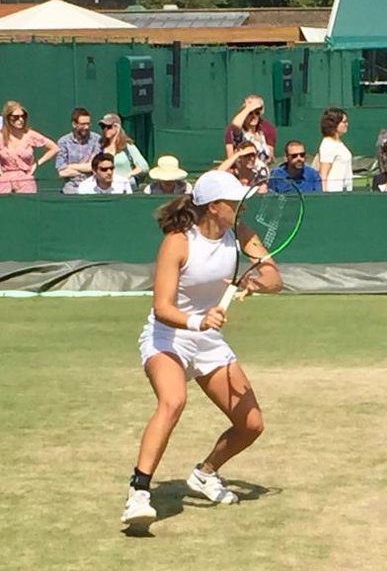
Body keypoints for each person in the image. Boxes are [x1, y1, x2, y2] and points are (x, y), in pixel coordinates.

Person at [120, 170, 282, 529]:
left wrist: (254, 282)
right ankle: (139, 493)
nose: (242, 208)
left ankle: (205, 473)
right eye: (234, 203)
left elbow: (275, 278)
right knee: (173, 400)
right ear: (213, 207)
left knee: (251, 424)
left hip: (207, 340)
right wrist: (198, 322)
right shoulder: (178, 242)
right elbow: (162, 307)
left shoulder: (239, 232)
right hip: (167, 336)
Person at [0, 100, 58, 194]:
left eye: (23, 116)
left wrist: (36, 164)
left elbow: (54, 148)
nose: (21, 120)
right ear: (8, 118)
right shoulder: (1, 136)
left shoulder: (30, 135)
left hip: (25, 179)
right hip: (5, 181)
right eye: (16, 117)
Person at [56, 107, 101, 194]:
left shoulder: (96, 139)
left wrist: (70, 166)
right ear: (74, 124)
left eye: (88, 124)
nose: (87, 127)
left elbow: (94, 166)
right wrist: (85, 171)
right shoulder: (63, 142)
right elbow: (61, 172)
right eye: (83, 124)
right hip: (71, 188)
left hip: (93, 186)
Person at [99, 113, 148, 189]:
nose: (105, 129)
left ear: (117, 127)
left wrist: (129, 175)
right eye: (103, 127)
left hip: (126, 187)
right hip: (106, 189)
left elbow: (144, 167)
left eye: (108, 127)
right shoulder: (100, 147)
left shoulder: (127, 146)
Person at [224, 94, 276, 164]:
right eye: (250, 113)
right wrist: (249, 108)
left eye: (257, 113)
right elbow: (236, 124)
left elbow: (270, 156)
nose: (254, 116)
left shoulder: (265, 130)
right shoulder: (236, 131)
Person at [318, 107, 353, 192]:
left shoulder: (338, 143)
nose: (347, 124)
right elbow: (323, 174)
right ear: (334, 124)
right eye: (344, 122)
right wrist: (326, 196)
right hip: (334, 192)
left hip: (344, 192)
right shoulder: (328, 144)